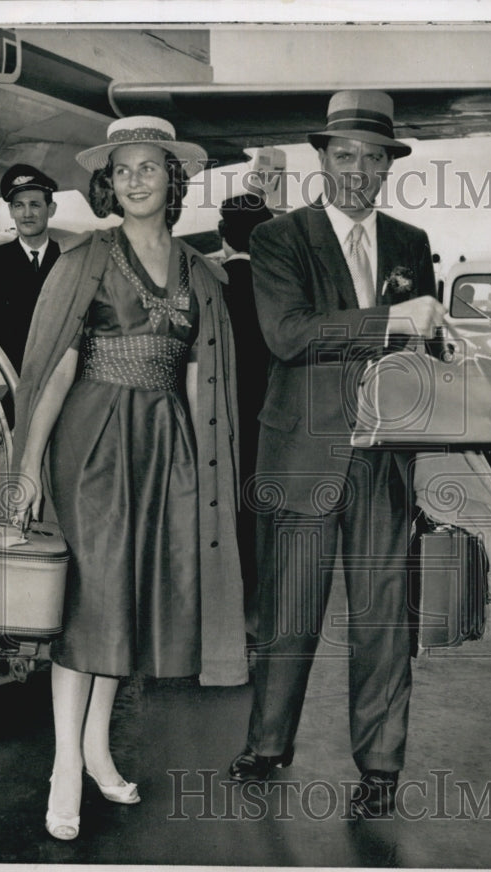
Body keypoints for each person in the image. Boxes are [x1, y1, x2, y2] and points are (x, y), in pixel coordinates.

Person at [11, 117, 247, 840]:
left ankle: (95, 748)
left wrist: (211, 480)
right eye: (125, 169)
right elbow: (55, 369)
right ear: (107, 182)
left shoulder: (202, 272)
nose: (138, 178)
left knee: (130, 603)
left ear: (174, 181)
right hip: (91, 444)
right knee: (89, 605)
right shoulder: (86, 258)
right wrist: (26, 468)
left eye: (152, 167)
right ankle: (62, 768)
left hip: (166, 448)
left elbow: (206, 383)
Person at [228, 91, 447, 818]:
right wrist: (390, 320)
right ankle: (267, 744)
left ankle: (381, 767)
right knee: (289, 614)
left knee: (384, 619)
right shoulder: (279, 239)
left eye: (372, 156)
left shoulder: (411, 244)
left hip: (385, 461)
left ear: (389, 166)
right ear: (322, 159)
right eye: (343, 154)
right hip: (300, 457)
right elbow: (287, 336)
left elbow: (426, 354)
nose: (357, 168)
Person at [218, 193, 274, 629]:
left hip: (218, 415)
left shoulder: (213, 284)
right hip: (266, 417)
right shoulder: (278, 288)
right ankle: (253, 610)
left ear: (223, 237)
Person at [0, 164, 60, 375]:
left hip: (61, 382)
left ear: (50, 209)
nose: (27, 214)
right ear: (11, 211)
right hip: (8, 380)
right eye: (19, 206)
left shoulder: (68, 259)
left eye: (35, 204)